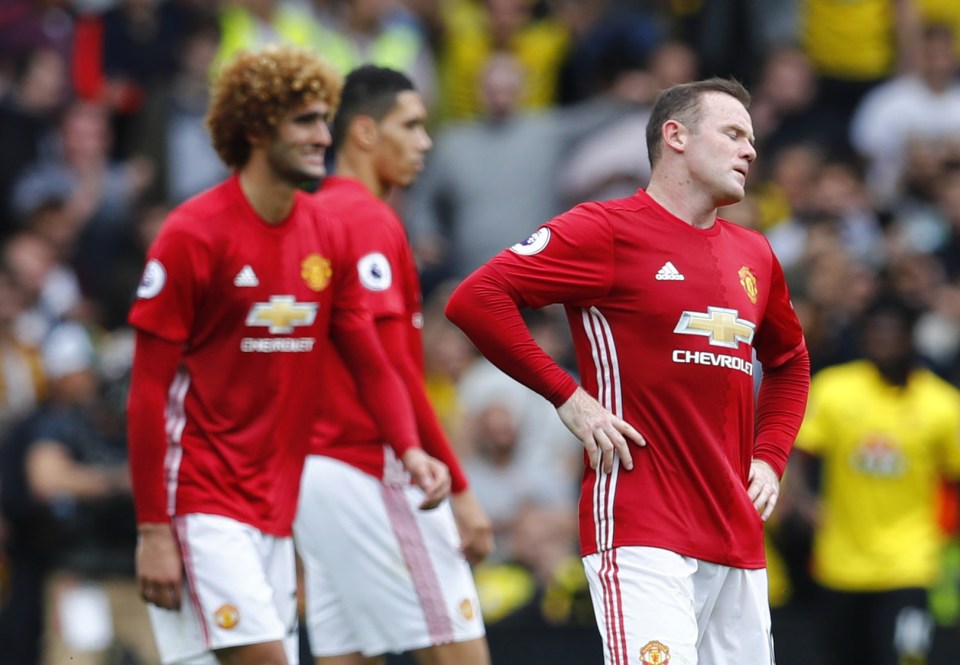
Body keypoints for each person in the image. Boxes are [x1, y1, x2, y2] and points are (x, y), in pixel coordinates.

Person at [445, 77, 812, 664]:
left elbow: (790, 363)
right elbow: (476, 298)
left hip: (737, 535)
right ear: (677, 137)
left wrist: (770, 456)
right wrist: (568, 396)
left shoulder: (755, 254)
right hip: (642, 526)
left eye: (753, 139)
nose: (751, 151)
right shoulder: (604, 228)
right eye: (734, 134)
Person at [125, 45, 449, 665]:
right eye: (304, 120)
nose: (324, 136)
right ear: (254, 127)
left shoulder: (324, 231)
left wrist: (409, 449)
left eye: (326, 119)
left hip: (276, 507)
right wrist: (152, 531)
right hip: (200, 501)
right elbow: (146, 394)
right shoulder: (192, 234)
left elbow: (368, 359)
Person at [293, 65, 491, 665]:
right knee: (458, 653)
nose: (424, 142)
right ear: (363, 132)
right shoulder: (369, 219)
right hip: (370, 463)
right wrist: (459, 488)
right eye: (410, 125)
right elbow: (394, 371)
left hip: (315, 473)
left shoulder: (310, 214)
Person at [783, 293, 960, 665]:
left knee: (907, 659)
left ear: (911, 339)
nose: (883, 342)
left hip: (910, 565)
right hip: (841, 565)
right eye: (875, 334)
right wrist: (804, 504)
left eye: (892, 334)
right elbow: (797, 452)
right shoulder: (835, 389)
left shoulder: (941, 404)